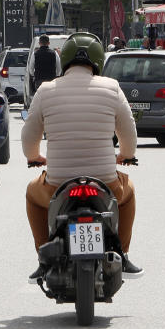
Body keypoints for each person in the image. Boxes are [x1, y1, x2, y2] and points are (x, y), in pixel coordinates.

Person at [22, 32, 141, 279]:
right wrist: (126, 155)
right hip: (105, 182)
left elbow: (29, 136)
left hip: (57, 184)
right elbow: (128, 131)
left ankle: (44, 258)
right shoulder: (112, 87)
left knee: (33, 195)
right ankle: (124, 255)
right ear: (98, 60)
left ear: (64, 60)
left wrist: (34, 157)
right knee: (128, 194)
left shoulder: (45, 90)